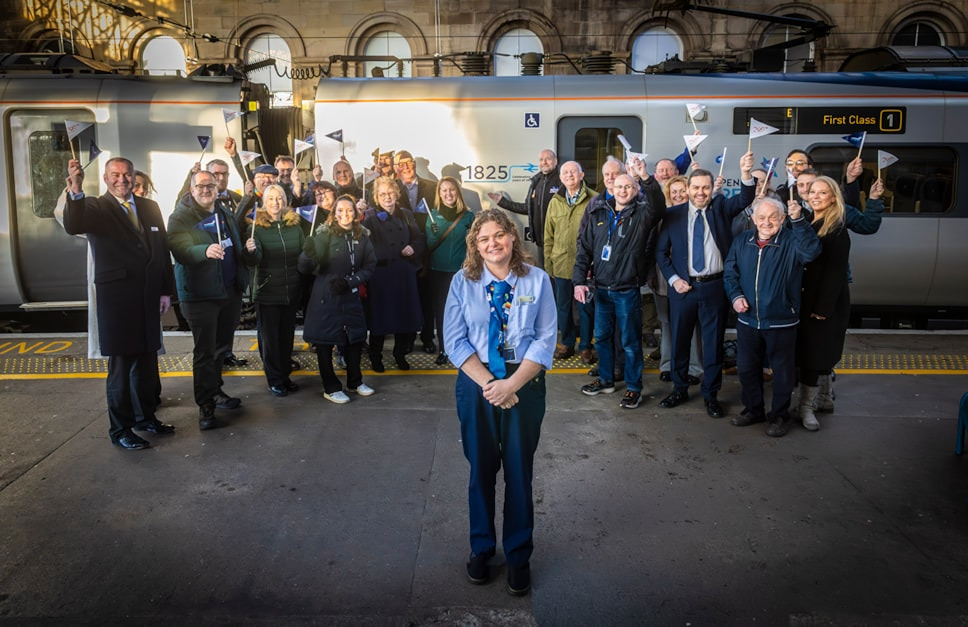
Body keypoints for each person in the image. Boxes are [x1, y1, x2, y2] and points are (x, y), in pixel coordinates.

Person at [443, 208, 556, 596]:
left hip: (524, 383)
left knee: (519, 472)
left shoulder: (538, 280)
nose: (493, 244)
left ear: (512, 237)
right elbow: (455, 341)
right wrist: (493, 385)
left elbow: (544, 340)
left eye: (499, 235)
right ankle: (481, 547)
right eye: (484, 239)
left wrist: (513, 385)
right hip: (478, 384)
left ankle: (519, 555)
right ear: (476, 245)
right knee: (481, 471)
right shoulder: (462, 282)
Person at [62, 157, 175, 450]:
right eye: (115, 175)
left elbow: (161, 251)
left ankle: (145, 417)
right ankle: (120, 430)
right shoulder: (94, 208)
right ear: (105, 177)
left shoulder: (149, 207)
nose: (122, 180)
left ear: (134, 176)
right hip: (117, 301)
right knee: (121, 368)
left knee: (148, 362)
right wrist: (75, 190)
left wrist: (165, 290)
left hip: (149, 296)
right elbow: (73, 224)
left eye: (127, 175)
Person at [656, 151, 756, 418]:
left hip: (714, 288)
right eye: (696, 187)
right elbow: (660, 253)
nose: (701, 193)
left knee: (712, 345)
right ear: (687, 188)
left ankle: (711, 396)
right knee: (679, 342)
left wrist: (746, 173)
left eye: (706, 188)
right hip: (683, 290)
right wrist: (675, 280)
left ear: (713, 189)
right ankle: (679, 388)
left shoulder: (721, 207)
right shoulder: (673, 215)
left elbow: (746, 198)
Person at [793, 175, 885, 431]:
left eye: (822, 193)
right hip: (808, 298)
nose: (816, 196)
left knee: (815, 355)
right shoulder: (810, 220)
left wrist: (823, 309)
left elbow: (835, 272)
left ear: (833, 197)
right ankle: (815, 402)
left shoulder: (837, 226)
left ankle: (806, 408)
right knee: (809, 353)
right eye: (813, 192)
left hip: (825, 302)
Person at [724, 197, 821, 437]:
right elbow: (730, 274)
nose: (767, 222)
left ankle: (779, 415)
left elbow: (811, 252)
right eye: (761, 217)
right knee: (747, 369)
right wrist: (736, 297)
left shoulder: (792, 241)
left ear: (782, 219)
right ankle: (754, 410)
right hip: (748, 321)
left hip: (781, 321)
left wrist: (799, 221)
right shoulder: (741, 241)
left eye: (773, 217)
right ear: (754, 219)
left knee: (782, 373)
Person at [574, 173, 664, 410]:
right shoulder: (598, 213)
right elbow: (583, 248)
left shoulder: (643, 213)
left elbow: (658, 204)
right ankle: (606, 380)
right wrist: (578, 281)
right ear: (611, 187)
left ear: (636, 190)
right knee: (602, 338)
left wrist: (646, 178)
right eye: (618, 186)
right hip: (601, 290)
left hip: (627, 290)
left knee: (630, 342)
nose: (623, 190)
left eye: (628, 187)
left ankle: (634, 388)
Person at [168, 170, 249, 430]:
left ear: (218, 189)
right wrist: (203, 250)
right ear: (191, 189)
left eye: (210, 186)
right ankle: (205, 406)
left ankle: (216, 391)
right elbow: (179, 248)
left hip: (227, 291)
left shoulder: (223, 212)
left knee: (221, 348)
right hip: (200, 295)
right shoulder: (181, 216)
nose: (206, 190)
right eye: (201, 186)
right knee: (205, 351)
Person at [300, 195, 377, 402]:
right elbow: (305, 267)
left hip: (350, 295)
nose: (345, 214)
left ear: (356, 213)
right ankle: (331, 386)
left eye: (349, 210)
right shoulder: (323, 235)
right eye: (340, 211)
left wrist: (352, 281)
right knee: (325, 342)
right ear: (334, 214)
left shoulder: (363, 237)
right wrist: (308, 254)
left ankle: (355, 381)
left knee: (354, 339)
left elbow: (370, 266)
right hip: (326, 295)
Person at [243, 184, 305, 397]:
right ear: (264, 203)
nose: (275, 203)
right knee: (271, 340)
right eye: (271, 199)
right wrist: (250, 251)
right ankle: (275, 379)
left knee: (287, 338)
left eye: (279, 198)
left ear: (285, 201)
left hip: (291, 291)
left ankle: (285, 375)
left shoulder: (294, 226)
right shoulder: (256, 227)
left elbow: (302, 253)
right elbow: (254, 260)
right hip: (268, 291)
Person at [361, 176, 424, 372]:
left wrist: (413, 248)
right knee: (380, 318)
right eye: (382, 194)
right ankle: (375, 355)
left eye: (390, 193)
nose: (387, 197)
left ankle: (399, 354)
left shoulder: (405, 214)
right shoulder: (369, 216)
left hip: (403, 272)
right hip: (380, 275)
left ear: (396, 194)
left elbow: (419, 238)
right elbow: (360, 240)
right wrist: (358, 214)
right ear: (376, 197)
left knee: (403, 317)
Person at [543, 160, 595, 363]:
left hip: (585, 267)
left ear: (582, 175)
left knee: (585, 308)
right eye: (565, 172)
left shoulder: (594, 199)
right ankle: (566, 343)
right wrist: (549, 263)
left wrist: (594, 264)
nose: (569, 175)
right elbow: (548, 235)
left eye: (574, 171)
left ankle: (585, 346)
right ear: (561, 177)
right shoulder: (555, 201)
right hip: (561, 264)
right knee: (562, 307)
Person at [655, 176, 703, 386]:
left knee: (692, 325)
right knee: (666, 324)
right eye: (673, 192)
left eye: (682, 190)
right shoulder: (663, 216)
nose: (678, 195)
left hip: (689, 280)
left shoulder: (699, 215)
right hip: (664, 280)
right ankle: (667, 365)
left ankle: (694, 367)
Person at [426, 176, 475, 366]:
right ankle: (444, 350)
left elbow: (473, 245)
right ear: (439, 194)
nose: (448, 194)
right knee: (442, 312)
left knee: (464, 312)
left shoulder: (468, 216)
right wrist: (433, 232)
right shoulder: (432, 215)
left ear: (458, 192)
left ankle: (464, 348)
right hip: (438, 271)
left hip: (461, 272)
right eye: (444, 190)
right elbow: (429, 245)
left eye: (452, 190)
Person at [393, 150, 438, 353]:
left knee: (428, 299)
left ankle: (428, 338)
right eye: (401, 164)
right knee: (407, 300)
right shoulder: (391, 190)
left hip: (428, 250)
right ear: (396, 168)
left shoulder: (432, 187)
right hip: (403, 252)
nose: (406, 166)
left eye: (409, 162)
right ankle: (408, 339)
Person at [487, 149, 560, 268]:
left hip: (559, 241)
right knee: (545, 274)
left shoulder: (562, 180)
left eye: (548, 159)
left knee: (560, 277)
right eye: (541, 159)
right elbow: (527, 208)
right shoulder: (536, 181)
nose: (544, 162)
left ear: (555, 161)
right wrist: (502, 202)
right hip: (541, 241)